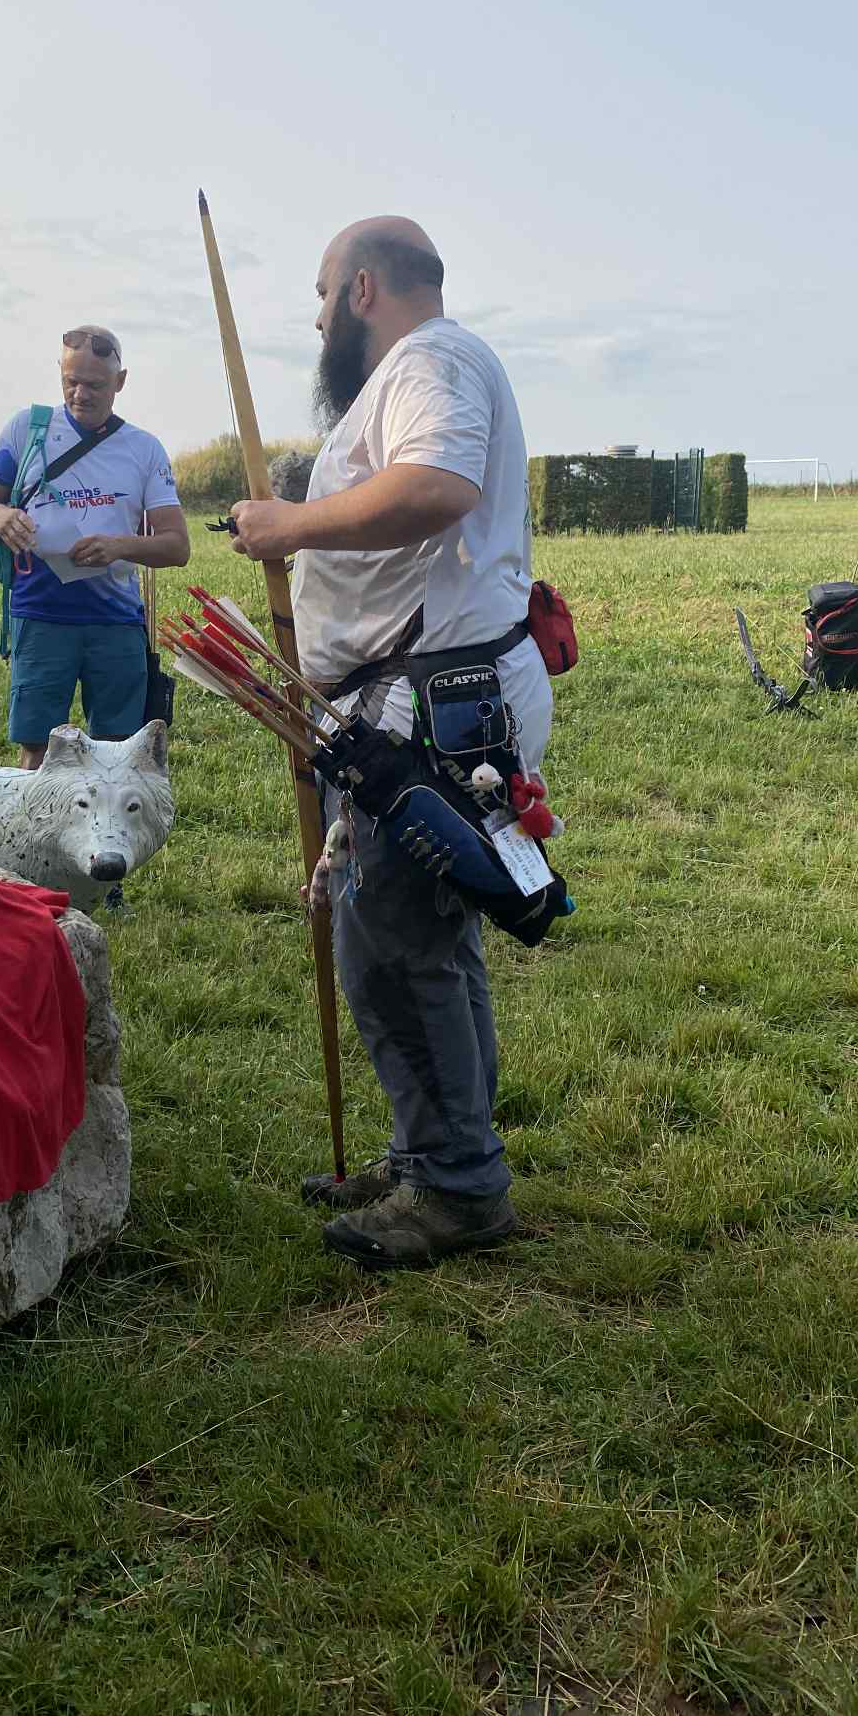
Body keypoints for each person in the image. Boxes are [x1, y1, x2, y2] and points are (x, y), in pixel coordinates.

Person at [227, 218, 551, 1270]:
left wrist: (289, 527)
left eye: (323, 294)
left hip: (425, 709)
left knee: (397, 952)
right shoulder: (422, 369)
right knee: (425, 945)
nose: (318, 318)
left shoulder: (429, 359)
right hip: (426, 700)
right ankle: (438, 1154)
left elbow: (435, 487)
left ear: (363, 288)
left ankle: (457, 1185)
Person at [0, 327, 190, 765]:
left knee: (117, 753)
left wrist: (119, 546)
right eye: (70, 381)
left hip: (116, 622)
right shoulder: (27, 430)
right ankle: (35, 814)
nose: (80, 394)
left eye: (95, 385)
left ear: (120, 382)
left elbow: (176, 546)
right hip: (39, 616)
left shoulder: (144, 449)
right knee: (36, 749)